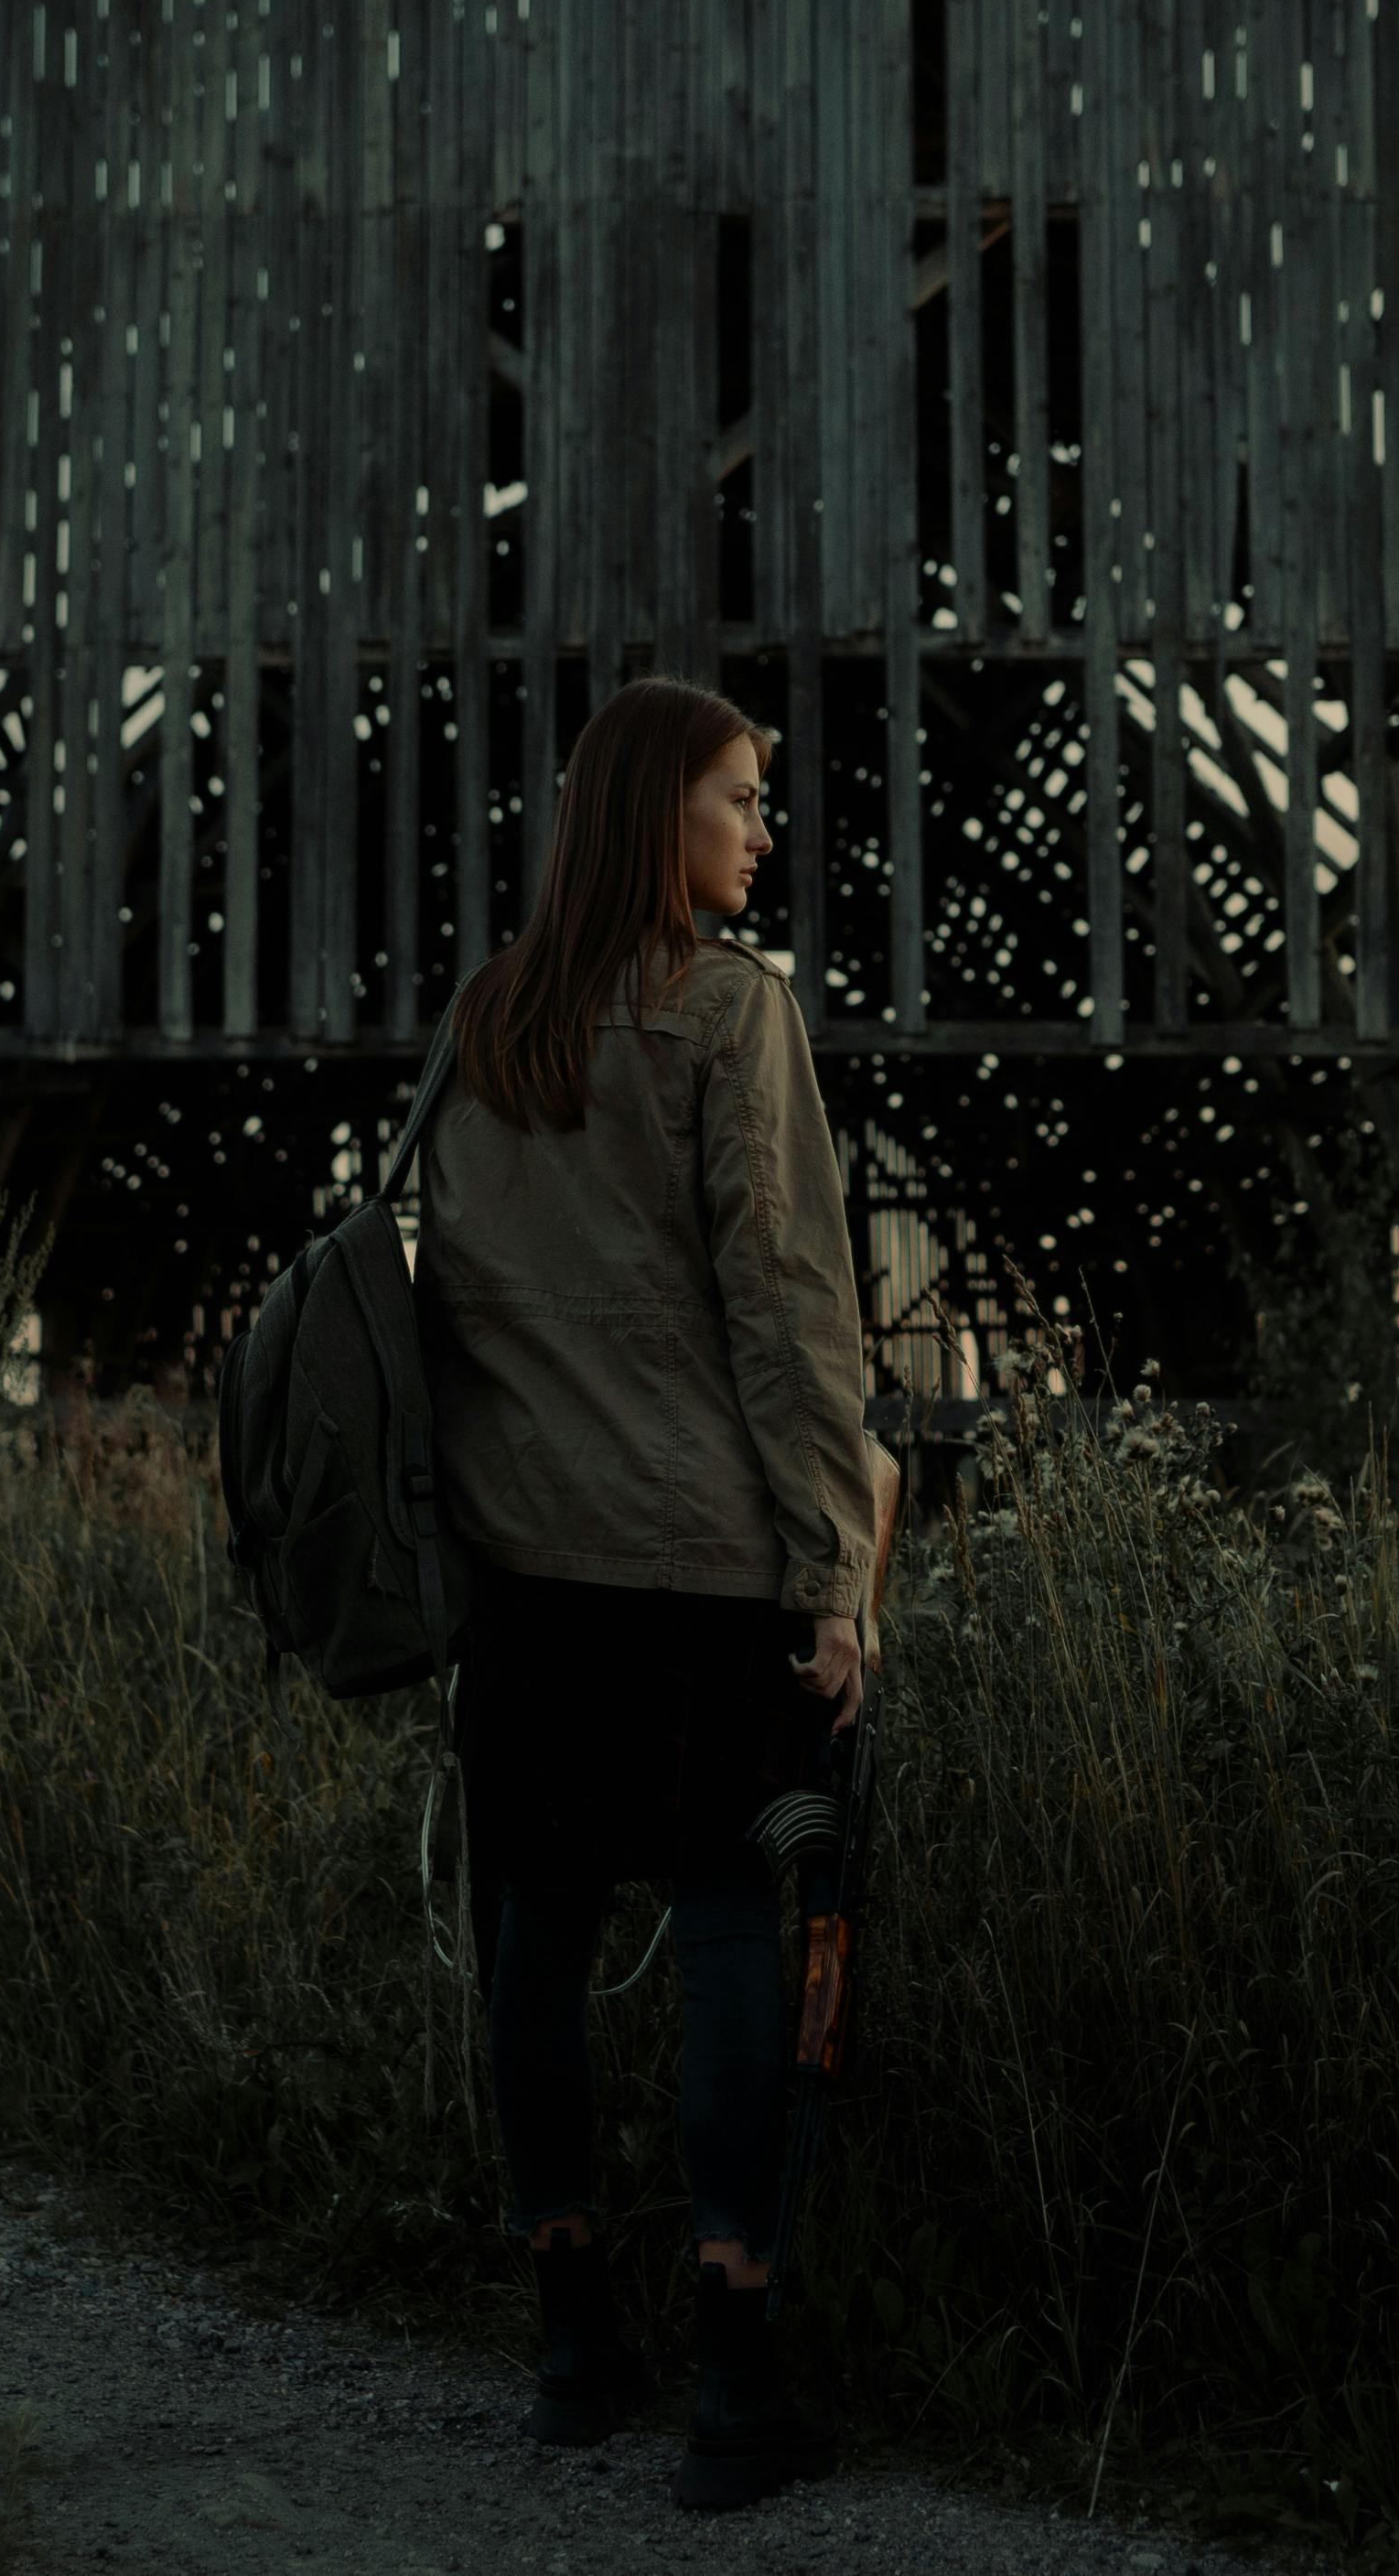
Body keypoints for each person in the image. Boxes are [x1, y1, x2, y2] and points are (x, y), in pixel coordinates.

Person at [424, 675, 892, 2512]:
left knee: (535, 1934)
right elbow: (784, 1310)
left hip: (521, 1582)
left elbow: (451, 1304)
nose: (759, 832)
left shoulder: (484, 1021)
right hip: (700, 1573)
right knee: (718, 1928)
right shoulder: (727, 1010)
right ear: (654, 817)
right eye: (735, 798)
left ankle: (565, 2346)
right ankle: (731, 2375)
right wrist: (829, 1571)